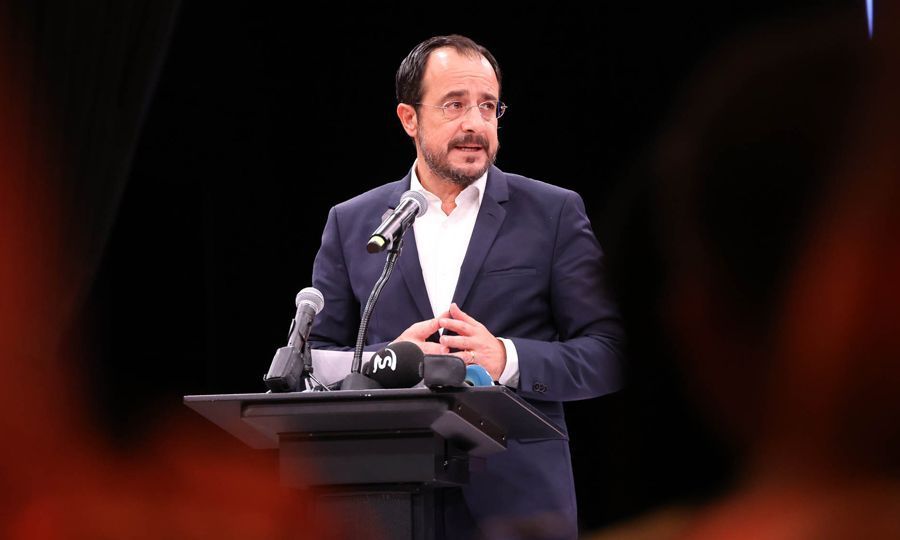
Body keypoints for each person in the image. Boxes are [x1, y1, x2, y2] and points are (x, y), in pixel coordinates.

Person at [309, 34, 624, 538]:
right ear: (409, 118)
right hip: (386, 498)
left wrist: (507, 358)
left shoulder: (553, 213)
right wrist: (385, 363)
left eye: (488, 106)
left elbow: (610, 352)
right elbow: (316, 362)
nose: (475, 123)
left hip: (519, 505)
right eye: (454, 105)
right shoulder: (353, 222)